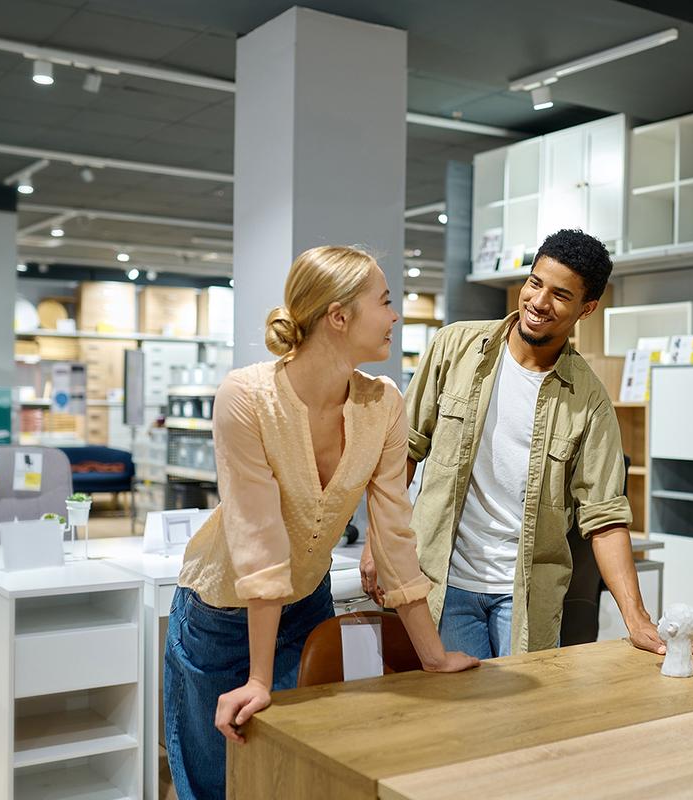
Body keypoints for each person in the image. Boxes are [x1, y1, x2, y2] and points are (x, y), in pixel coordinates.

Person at [164, 245, 479, 800]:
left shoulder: (382, 402)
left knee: (293, 778)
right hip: (220, 613)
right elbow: (258, 541)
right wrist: (259, 678)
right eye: (384, 302)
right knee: (219, 784)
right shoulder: (247, 397)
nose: (394, 315)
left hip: (306, 604)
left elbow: (395, 534)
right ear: (339, 316)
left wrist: (432, 655)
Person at [361, 228, 693, 661]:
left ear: (587, 309)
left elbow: (604, 516)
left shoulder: (590, 401)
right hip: (442, 580)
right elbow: (404, 455)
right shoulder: (456, 347)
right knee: (455, 716)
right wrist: (378, 544)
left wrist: (637, 618)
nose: (539, 302)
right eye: (535, 283)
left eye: (560, 295)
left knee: (520, 721)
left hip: (524, 597)